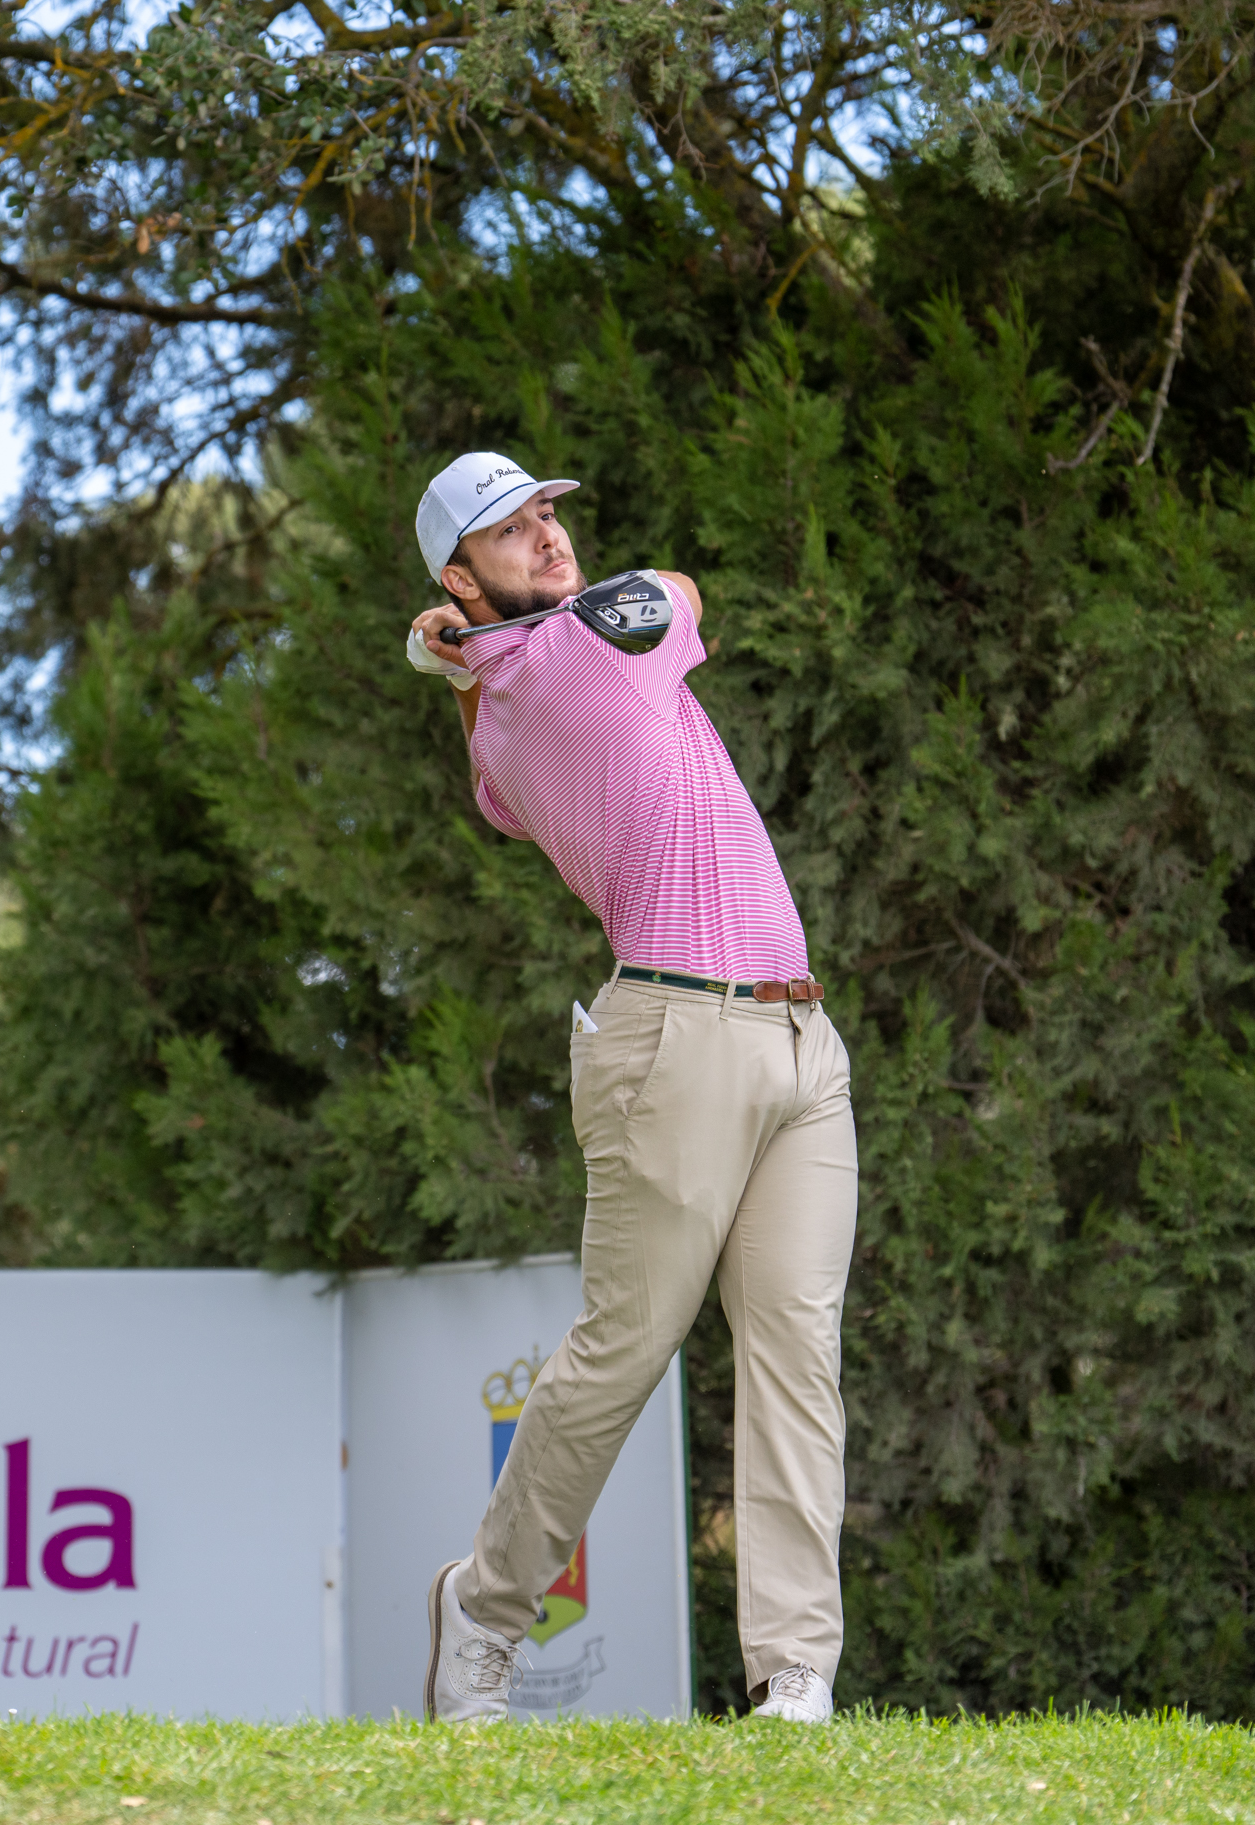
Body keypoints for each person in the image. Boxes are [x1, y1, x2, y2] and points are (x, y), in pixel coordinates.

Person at [404, 451, 857, 1726]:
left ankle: (794, 1675)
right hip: (675, 1035)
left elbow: (492, 752)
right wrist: (474, 645)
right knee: (620, 1353)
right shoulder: (595, 646)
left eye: (546, 510)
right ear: (457, 574)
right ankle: (481, 1613)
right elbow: (678, 585)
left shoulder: (496, 719)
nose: (547, 535)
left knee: (794, 1351)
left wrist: (455, 654)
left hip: (797, 1040)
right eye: (510, 528)